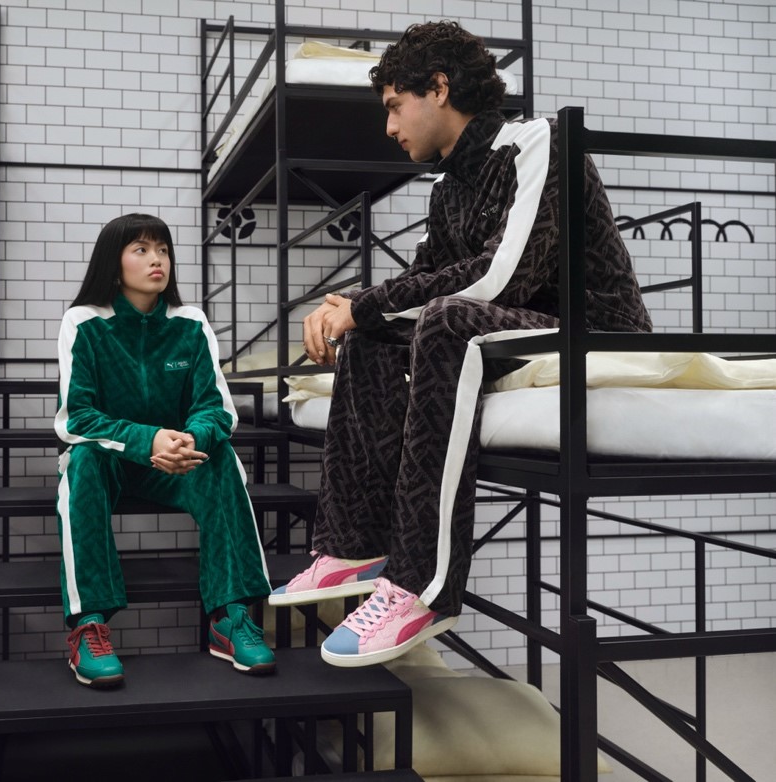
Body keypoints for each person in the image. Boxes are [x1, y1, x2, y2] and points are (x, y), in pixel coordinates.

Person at [269, 21, 652, 667]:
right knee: (374, 338)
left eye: (395, 105)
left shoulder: (538, 142)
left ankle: (423, 586)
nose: (389, 126)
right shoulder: (449, 184)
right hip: (516, 326)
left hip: (594, 327)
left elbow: (503, 277)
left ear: (439, 88)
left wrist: (362, 306)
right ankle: (353, 545)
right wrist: (354, 308)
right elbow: (423, 281)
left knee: (445, 321)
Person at [54, 213, 276, 687]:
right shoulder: (84, 322)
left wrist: (191, 439)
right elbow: (77, 417)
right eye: (141, 249)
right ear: (113, 264)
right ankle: (88, 624)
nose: (157, 259)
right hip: (113, 459)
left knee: (222, 458)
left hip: (175, 462)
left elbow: (216, 408)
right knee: (82, 461)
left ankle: (231, 618)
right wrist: (147, 438)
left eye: (163, 250)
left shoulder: (190, 324)